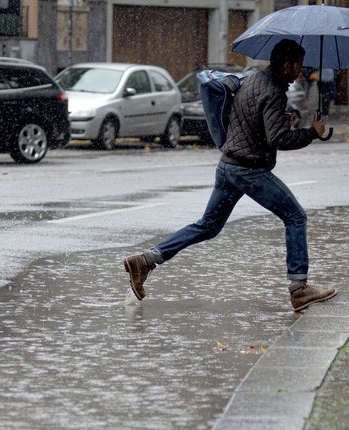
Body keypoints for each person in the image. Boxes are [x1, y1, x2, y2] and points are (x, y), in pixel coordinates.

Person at [123, 38, 337, 312]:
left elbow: (254, 124)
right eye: (298, 66)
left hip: (228, 166)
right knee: (296, 217)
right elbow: (279, 138)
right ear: (286, 65)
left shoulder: (252, 79)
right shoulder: (273, 92)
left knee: (208, 226)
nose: (300, 72)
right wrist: (312, 133)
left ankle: (146, 260)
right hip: (249, 170)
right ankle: (300, 289)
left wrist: (278, 122)